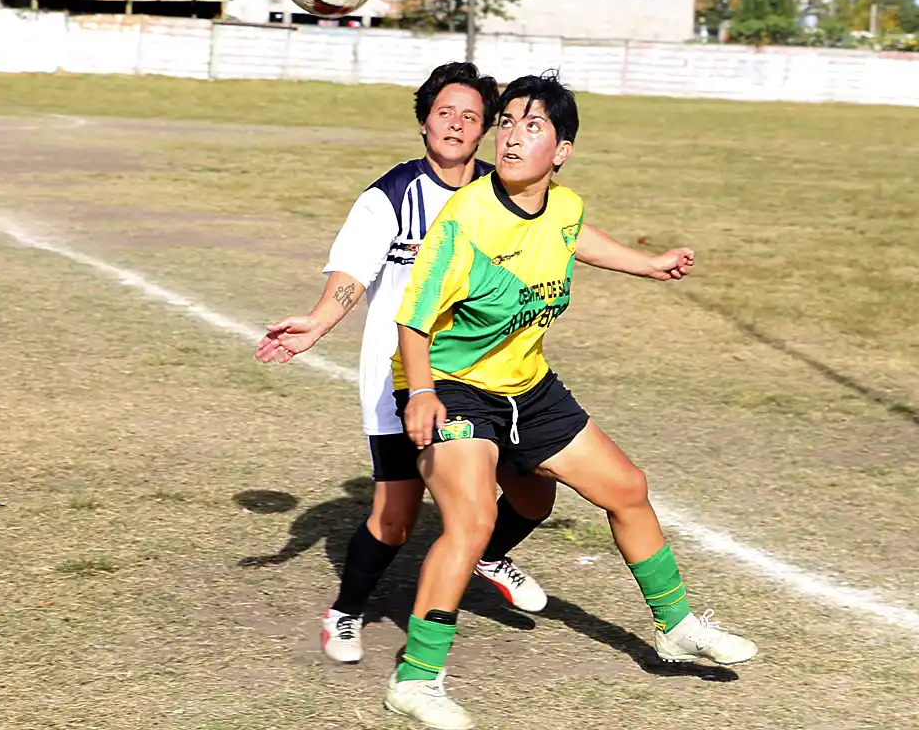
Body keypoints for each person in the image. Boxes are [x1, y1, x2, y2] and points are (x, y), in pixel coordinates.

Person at [255, 62, 695, 667]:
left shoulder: (503, 184)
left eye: (472, 116)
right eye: (444, 112)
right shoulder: (392, 197)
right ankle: (348, 611)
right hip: (402, 375)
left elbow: (567, 230)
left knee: (533, 497)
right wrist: (318, 323)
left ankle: (485, 553)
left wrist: (645, 264)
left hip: (484, 376)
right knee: (397, 515)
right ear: (423, 123)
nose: (459, 125)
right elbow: (353, 274)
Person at [384, 73, 755, 730]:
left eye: (533, 127)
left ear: (561, 151)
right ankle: (416, 680)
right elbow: (412, 320)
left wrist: (648, 264)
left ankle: (676, 628)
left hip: (528, 383)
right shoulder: (465, 219)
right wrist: (419, 394)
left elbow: (572, 234)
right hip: (451, 384)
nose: (513, 137)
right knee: (469, 519)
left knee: (621, 488)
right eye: (507, 125)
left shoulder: (563, 205)